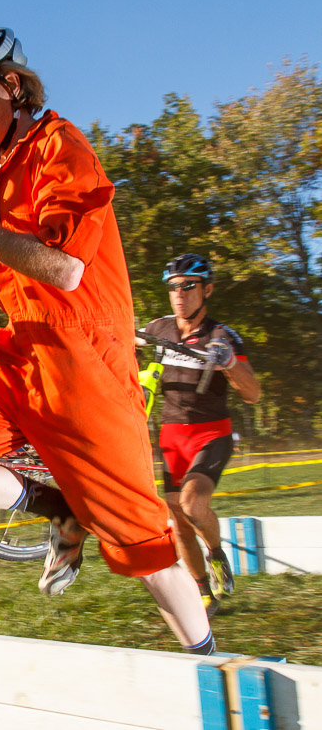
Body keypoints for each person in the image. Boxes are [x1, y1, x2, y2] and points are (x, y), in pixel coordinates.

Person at [0, 26, 214, 654]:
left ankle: (215, 667)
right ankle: (60, 508)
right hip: (22, 352)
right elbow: (16, 260)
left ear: (12, 85)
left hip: (87, 365)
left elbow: (65, 269)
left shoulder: (60, 146)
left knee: (146, 552)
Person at [142, 253, 261, 616]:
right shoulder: (159, 328)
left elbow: (253, 394)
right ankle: (203, 592)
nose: (179, 294)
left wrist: (229, 363)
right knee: (178, 521)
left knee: (193, 505)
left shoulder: (222, 336)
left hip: (212, 434)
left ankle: (217, 554)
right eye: (173, 287)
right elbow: (119, 344)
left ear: (207, 290)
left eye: (188, 286)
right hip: (171, 435)